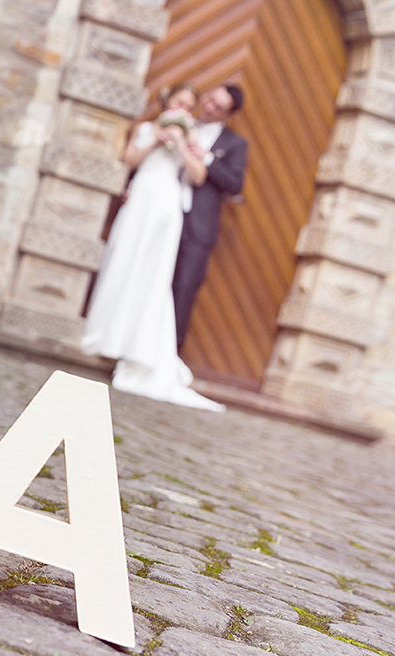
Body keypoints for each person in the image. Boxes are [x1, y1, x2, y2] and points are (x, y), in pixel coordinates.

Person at [82, 83, 224, 412]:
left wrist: (184, 148)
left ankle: (137, 340)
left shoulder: (192, 139)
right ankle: (105, 333)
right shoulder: (146, 128)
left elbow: (199, 176)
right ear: (167, 102)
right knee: (123, 260)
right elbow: (130, 158)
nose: (183, 109)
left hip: (166, 207)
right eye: (179, 102)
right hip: (142, 197)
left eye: (189, 106)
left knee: (153, 272)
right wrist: (156, 138)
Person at [173, 84, 249, 349]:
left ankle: (170, 351)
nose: (209, 107)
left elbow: (235, 184)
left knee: (183, 288)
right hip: (165, 211)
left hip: (198, 227)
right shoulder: (183, 123)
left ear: (230, 114)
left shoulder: (235, 144)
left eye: (218, 107)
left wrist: (207, 160)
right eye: (209, 100)